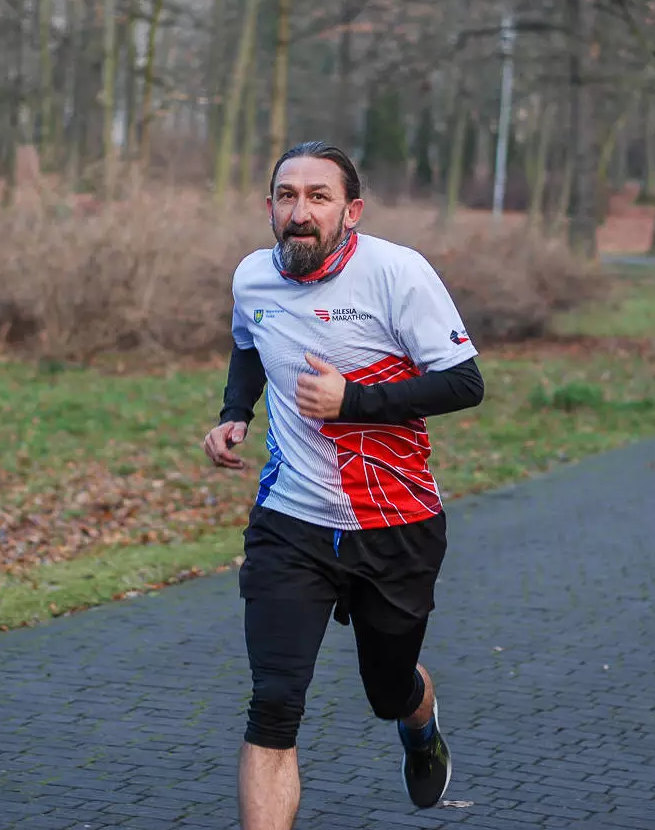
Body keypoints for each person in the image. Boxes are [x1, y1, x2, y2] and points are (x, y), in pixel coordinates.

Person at [202, 141, 484, 830]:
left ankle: (417, 723)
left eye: (318, 197)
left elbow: (464, 382)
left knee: (388, 689)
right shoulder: (252, 277)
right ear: (269, 206)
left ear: (351, 211)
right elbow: (248, 342)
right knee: (273, 705)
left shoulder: (398, 273)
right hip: (290, 523)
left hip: (395, 524)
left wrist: (352, 401)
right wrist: (235, 412)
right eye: (287, 196)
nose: (300, 213)